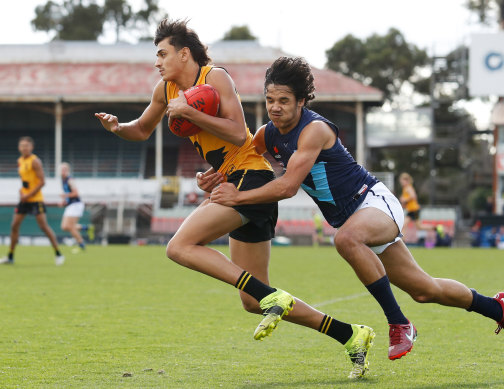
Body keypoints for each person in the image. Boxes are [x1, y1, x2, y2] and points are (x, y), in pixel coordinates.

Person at [95, 19, 374, 379]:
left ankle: (274, 297)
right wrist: (118, 127)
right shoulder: (164, 90)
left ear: (184, 53)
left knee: (179, 247)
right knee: (252, 301)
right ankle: (351, 334)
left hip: (251, 178)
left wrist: (190, 113)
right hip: (231, 178)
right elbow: (143, 129)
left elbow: (236, 131)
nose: (157, 62)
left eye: (162, 54)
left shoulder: (215, 78)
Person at [211, 56, 504, 358]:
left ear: (301, 101)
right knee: (425, 290)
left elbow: (288, 186)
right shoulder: (267, 134)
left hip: (373, 203)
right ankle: (498, 308)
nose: (275, 108)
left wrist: (237, 198)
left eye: (283, 101)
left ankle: (399, 323)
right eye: (270, 100)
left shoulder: (314, 130)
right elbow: (243, 161)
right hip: (353, 220)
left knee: (346, 239)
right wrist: (214, 176)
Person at [0, 137, 65, 266]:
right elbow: (26, 180)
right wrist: (21, 191)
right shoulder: (20, 161)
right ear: (19, 147)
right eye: (22, 145)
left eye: (27, 145)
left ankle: (58, 253)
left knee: (43, 227)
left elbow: (42, 182)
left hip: (36, 200)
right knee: (14, 226)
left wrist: (28, 194)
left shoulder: (35, 161)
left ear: (31, 147)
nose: (24, 148)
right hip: (24, 199)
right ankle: (10, 256)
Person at [60, 162, 94, 252]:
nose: (63, 171)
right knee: (64, 227)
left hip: (76, 205)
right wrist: (64, 201)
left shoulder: (70, 180)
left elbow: (76, 193)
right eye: (61, 169)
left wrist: (65, 196)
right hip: (71, 205)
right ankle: (86, 228)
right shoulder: (63, 180)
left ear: (68, 171)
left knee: (70, 226)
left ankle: (81, 244)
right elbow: (69, 194)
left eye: (64, 169)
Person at [398, 172, 430, 241]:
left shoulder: (408, 187)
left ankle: (402, 242)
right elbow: (406, 202)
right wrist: (403, 203)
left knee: (418, 227)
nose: (401, 183)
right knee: (416, 226)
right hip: (411, 210)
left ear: (406, 180)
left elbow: (413, 196)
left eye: (402, 181)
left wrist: (404, 199)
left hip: (414, 209)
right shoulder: (405, 189)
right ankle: (403, 242)